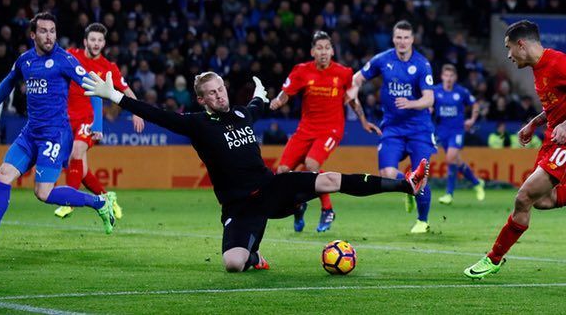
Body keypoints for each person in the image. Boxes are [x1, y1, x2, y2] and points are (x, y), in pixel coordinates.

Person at [81, 70, 429, 272]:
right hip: (239, 207)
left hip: (271, 190)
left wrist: (262, 95)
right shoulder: (199, 124)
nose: (219, 96)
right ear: (201, 100)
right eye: (212, 94)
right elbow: (158, 114)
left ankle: (405, 185)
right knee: (233, 264)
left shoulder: (242, 115)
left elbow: (256, 107)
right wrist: (116, 96)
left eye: (221, 89)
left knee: (328, 179)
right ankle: (255, 256)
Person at [463, 20, 566, 279]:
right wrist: (534, 123)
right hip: (553, 140)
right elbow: (555, 105)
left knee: (523, 197)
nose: (508, 55)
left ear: (521, 44)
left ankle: (493, 258)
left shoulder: (560, 63)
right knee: (542, 200)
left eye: (509, 48)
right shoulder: (537, 69)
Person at [0, 12, 116, 248]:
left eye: (52, 31)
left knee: (43, 193)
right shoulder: (25, 60)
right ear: (33, 34)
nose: (49, 36)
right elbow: (6, 85)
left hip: (55, 135)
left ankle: (99, 203)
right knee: (2, 175)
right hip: (31, 133)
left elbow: (94, 87)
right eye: (43, 31)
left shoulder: (65, 60)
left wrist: (98, 125)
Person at [269, 31, 381, 232]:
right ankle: (298, 206)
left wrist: (363, 121)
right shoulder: (301, 71)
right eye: (319, 48)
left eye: (327, 48)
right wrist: (278, 101)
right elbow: (286, 93)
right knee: (282, 172)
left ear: (332, 51)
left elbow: (352, 99)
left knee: (311, 164)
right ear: (312, 51)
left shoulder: (344, 73)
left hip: (331, 129)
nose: (323, 52)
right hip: (305, 130)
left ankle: (327, 209)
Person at [347, 20, 436, 233]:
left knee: (421, 177)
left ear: (412, 39)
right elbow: (355, 79)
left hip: (419, 128)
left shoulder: (422, 64)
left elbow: (429, 99)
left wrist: (411, 103)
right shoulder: (382, 60)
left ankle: (422, 221)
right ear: (393, 38)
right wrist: (353, 91)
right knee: (387, 174)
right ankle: (407, 185)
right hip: (392, 128)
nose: (402, 41)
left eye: (406, 37)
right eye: (398, 37)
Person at [53, 23, 145, 219]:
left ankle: (69, 202)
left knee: (77, 151)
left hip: (89, 118)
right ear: (85, 41)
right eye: (92, 39)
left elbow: (126, 91)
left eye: (100, 40)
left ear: (104, 43)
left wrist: (137, 111)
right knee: (81, 168)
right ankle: (106, 199)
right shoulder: (71, 55)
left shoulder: (108, 67)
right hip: (66, 120)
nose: (96, 43)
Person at [432, 64, 485, 204]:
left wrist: (472, 120)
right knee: (456, 161)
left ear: (455, 77)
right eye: (446, 75)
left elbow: (475, 105)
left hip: (457, 131)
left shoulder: (461, 92)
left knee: (450, 159)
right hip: (442, 131)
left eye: (451, 76)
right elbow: (429, 106)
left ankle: (449, 194)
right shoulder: (435, 91)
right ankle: (476, 182)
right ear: (442, 76)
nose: (448, 78)